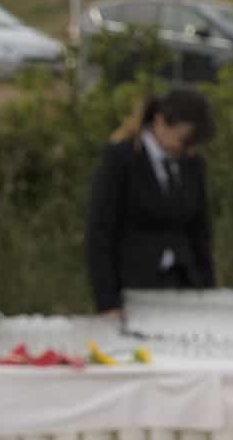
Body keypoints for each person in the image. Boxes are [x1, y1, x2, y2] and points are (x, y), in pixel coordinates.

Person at [85, 86, 216, 315]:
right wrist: (107, 301)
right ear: (160, 122)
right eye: (183, 139)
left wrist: (208, 292)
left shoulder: (193, 165)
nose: (186, 149)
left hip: (183, 283)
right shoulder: (121, 159)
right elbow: (100, 232)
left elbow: (200, 233)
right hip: (134, 285)